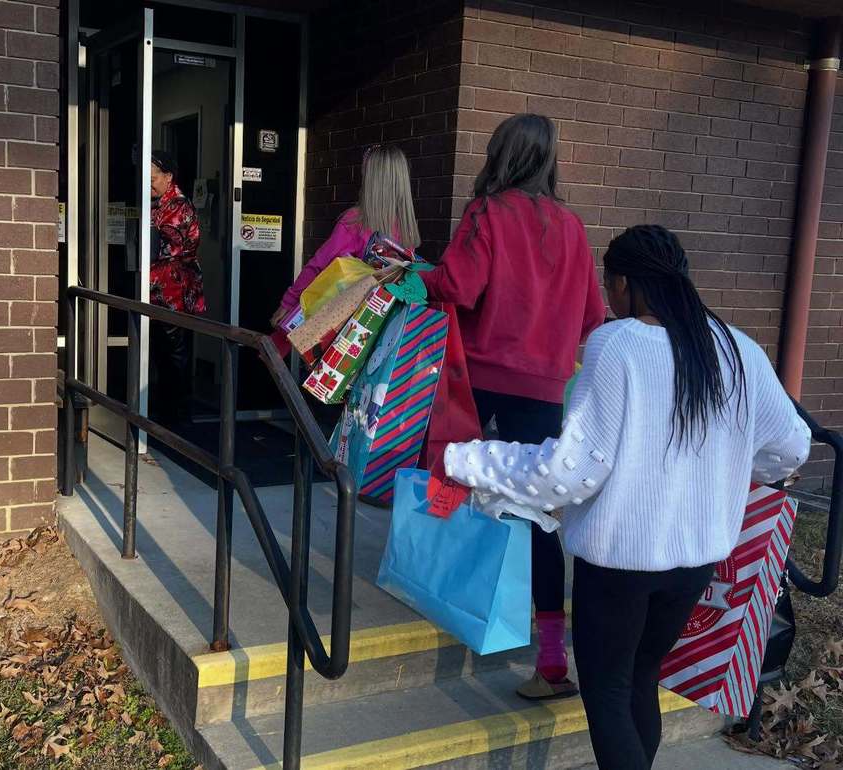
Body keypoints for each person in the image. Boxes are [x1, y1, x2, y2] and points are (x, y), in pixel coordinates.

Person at [443, 225, 811, 770]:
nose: (608, 300)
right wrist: (729, 467)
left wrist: (465, 459)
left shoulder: (617, 347)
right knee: (641, 677)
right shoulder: (739, 348)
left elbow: (569, 474)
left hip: (619, 560)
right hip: (697, 559)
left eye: (609, 285)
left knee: (608, 690)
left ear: (625, 284)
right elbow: (791, 447)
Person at [418, 113, 606, 699]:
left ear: (499, 154)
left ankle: (435, 596)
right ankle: (552, 662)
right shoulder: (572, 227)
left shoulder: (487, 214)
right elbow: (593, 317)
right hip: (546, 390)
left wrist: (422, 277)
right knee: (539, 519)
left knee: (447, 477)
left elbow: (457, 287)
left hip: (479, 379)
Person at [270, 144, 420, 328]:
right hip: (385, 325)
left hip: (345, 324)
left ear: (371, 180)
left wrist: (288, 303)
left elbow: (318, 265)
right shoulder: (407, 228)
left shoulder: (355, 222)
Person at [148, 150, 204, 425]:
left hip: (175, 290)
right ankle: (164, 407)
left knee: (174, 351)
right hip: (158, 289)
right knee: (161, 350)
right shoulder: (156, 203)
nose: (149, 185)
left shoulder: (179, 206)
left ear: (168, 177)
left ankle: (177, 414)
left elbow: (169, 247)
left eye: (153, 179)